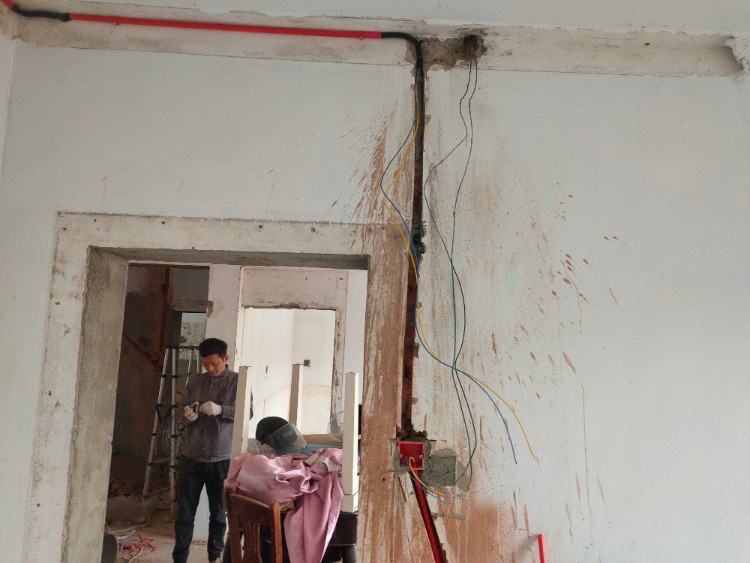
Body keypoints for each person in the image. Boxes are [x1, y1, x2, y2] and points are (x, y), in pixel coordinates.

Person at [173, 337, 238, 563]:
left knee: (218, 513)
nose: (210, 369)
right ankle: (179, 558)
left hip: (221, 457)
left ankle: (214, 557)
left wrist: (221, 409)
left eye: (214, 364)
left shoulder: (237, 382)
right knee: (184, 513)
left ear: (225, 358)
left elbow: (245, 413)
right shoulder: (195, 382)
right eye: (206, 364)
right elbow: (181, 410)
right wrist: (187, 415)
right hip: (191, 456)